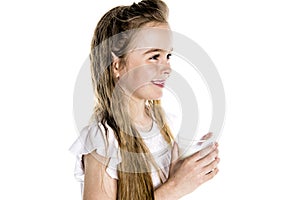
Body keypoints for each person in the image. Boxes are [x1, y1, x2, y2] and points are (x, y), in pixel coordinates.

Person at [69, 0, 220, 199]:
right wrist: (174, 187)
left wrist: (182, 172)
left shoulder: (164, 124)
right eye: (154, 56)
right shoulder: (104, 141)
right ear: (117, 66)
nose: (167, 68)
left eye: (168, 56)